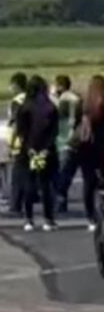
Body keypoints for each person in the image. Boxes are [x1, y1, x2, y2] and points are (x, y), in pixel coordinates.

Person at [14, 75, 60, 232]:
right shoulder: (51, 107)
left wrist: (29, 149)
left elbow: (21, 131)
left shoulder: (24, 107)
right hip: (47, 151)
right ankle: (48, 219)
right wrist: (46, 149)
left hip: (28, 151)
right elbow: (54, 131)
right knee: (46, 185)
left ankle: (29, 219)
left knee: (29, 184)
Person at [54, 75, 83, 213]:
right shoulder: (76, 98)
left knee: (62, 173)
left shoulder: (64, 100)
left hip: (64, 140)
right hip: (77, 141)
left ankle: (60, 201)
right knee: (68, 173)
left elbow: (68, 121)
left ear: (59, 85)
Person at [80, 76, 104, 233]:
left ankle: (91, 217)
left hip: (86, 148)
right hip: (101, 147)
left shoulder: (85, 105)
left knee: (88, 182)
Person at [7, 72, 29, 214]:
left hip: (19, 143)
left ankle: (15, 205)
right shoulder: (30, 98)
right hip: (31, 140)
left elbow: (16, 123)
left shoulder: (17, 101)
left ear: (16, 85)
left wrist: (11, 142)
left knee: (17, 175)